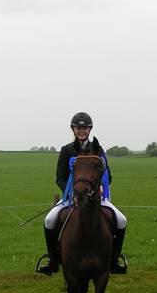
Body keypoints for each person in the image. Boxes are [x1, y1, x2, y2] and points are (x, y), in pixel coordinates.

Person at [36, 112, 128, 276]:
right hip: (71, 197)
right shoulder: (67, 150)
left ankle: (114, 261)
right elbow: (60, 177)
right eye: (78, 128)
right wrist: (70, 192)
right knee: (49, 220)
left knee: (121, 220)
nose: (81, 131)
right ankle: (53, 261)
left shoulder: (98, 149)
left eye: (84, 128)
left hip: (95, 197)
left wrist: (98, 188)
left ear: (90, 129)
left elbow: (108, 175)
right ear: (73, 129)